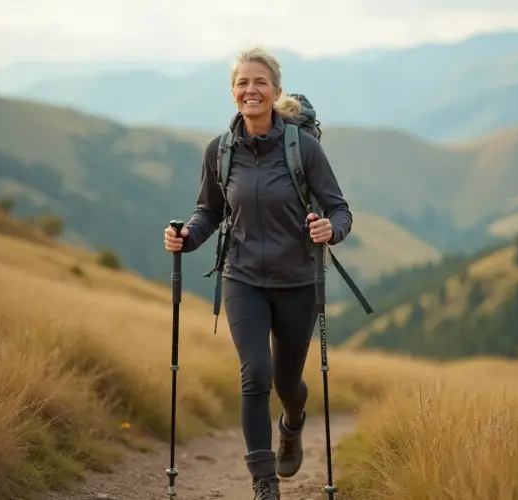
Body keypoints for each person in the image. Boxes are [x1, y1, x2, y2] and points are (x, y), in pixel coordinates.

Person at [163, 46, 353, 500]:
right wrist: (187, 236)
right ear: (233, 93)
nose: (252, 89)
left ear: (276, 91)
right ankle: (264, 483)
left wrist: (332, 229)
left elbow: (339, 209)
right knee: (255, 373)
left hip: (299, 281)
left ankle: (292, 424)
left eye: (260, 82)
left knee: (288, 382)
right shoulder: (220, 151)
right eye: (243, 83)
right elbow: (209, 210)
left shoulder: (302, 149)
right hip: (242, 278)